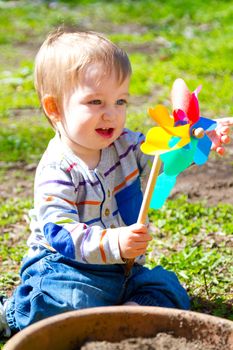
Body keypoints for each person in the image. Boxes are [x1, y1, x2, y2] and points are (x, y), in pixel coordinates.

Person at [0, 27, 232, 338]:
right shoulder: (58, 167)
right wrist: (115, 242)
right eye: (96, 102)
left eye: (120, 101)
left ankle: (129, 314)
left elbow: (161, 159)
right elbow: (59, 232)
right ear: (54, 108)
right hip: (68, 267)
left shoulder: (125, 143)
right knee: (67, 301)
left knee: (167, 289)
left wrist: (195, 138)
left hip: (124, 269)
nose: (111, 114)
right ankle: (13, 313)